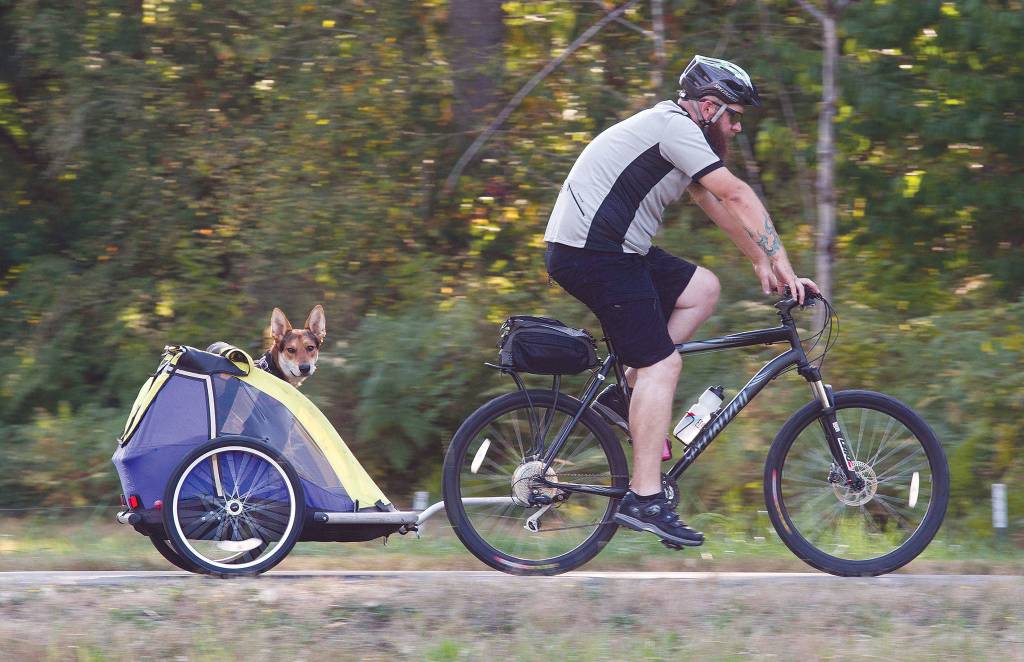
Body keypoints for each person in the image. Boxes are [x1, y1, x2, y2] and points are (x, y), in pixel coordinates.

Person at [543, 55, 819, 547]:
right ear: (709, 108)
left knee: (702, 290)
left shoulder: (679, 134)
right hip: (594, 253)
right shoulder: (673, 127)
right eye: (734, 116)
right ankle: (644, 498)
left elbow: (709, 201)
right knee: (663, 367)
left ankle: (626, 391)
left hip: (613, 251)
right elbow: (734, 194)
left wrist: (761, 259)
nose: (736, 128)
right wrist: (785, 266)